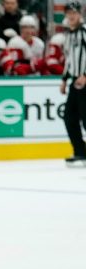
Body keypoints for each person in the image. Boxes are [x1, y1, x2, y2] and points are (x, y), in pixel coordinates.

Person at [59, 2, 86, 167]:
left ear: (80, 14)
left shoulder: (84, 32)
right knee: (69, 117)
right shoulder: (68, 34)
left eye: (74, 13)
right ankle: (80, 151)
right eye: (68, 13)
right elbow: (69, 60)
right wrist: (64, 80)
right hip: (74, 82)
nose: (71, 16)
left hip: (85, 82)